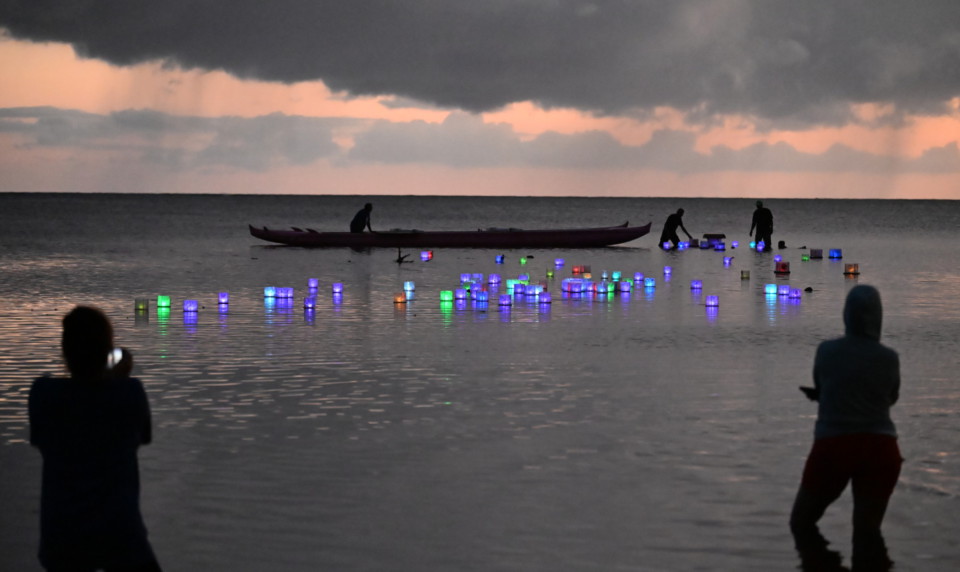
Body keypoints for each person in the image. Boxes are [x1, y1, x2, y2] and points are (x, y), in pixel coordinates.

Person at [29, 306, 162, 571]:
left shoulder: (43, 395)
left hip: (62, 537)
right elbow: (144, 436)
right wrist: (117, 377)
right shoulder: (129, 393)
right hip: (120, 533)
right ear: (106, 351)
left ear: (65, 349)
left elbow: (39, 437)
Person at [790, 285, 901, 571]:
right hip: (880, 448)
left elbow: (824, 387)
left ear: (846, 314)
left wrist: (824, 396)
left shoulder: (827, 350)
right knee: (867, 532)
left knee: (802, 524)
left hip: (834, 445)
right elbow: (890, 399)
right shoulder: (888, 357)